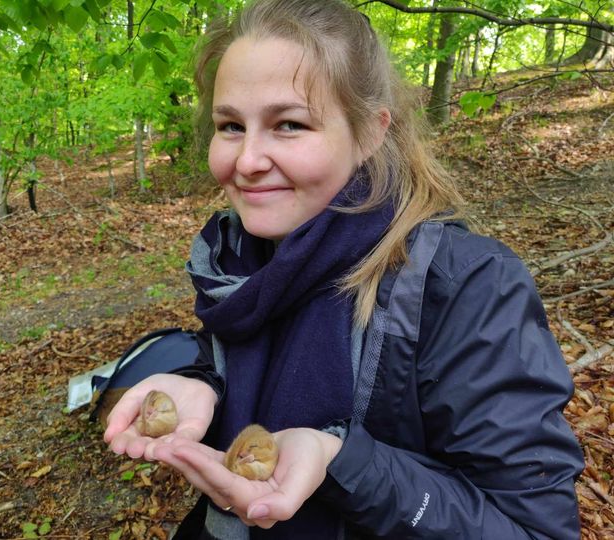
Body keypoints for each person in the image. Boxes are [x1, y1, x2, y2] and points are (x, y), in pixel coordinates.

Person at [104, 0, 584, 538]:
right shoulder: (243, 257)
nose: (247, 161)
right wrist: (203, 385)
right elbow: (248, 365)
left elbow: (531, 527)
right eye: (231, 125)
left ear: (370, 132)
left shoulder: (466, 286)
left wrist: (340, 461)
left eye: (289, 124)